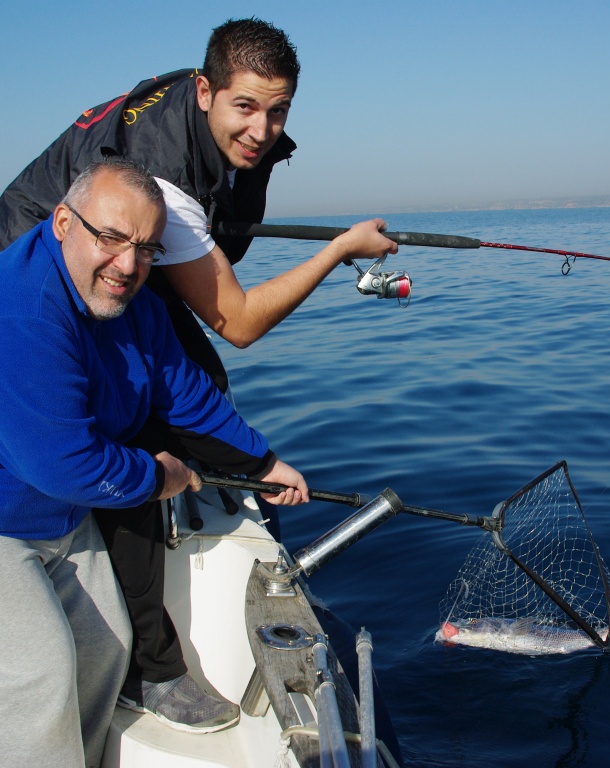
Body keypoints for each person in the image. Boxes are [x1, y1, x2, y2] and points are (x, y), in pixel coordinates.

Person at [0, 17, 399, 734]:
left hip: (87, 272)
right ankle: (156, 669)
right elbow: (239, 322)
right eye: (246, 107)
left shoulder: (155, 218)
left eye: (278, 111)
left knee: (181, 387)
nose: (263, 128)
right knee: (129, 428)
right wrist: (342, 248)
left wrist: (263, 460)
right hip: (45, 300)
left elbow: (184, 379)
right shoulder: (147, 198)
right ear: (206, 89)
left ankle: (131, 656)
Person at [0, 159, 310, 767]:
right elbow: (67, 466)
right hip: (10, 517)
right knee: (41, 677)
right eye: (110, 239)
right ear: (63, 222)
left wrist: (262, 462)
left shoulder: (131, 298)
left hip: (59, 518)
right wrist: (160, 477)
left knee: (109, 649)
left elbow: (180, 386)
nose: (128, 264)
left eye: (146, 248)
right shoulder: (26, 313)